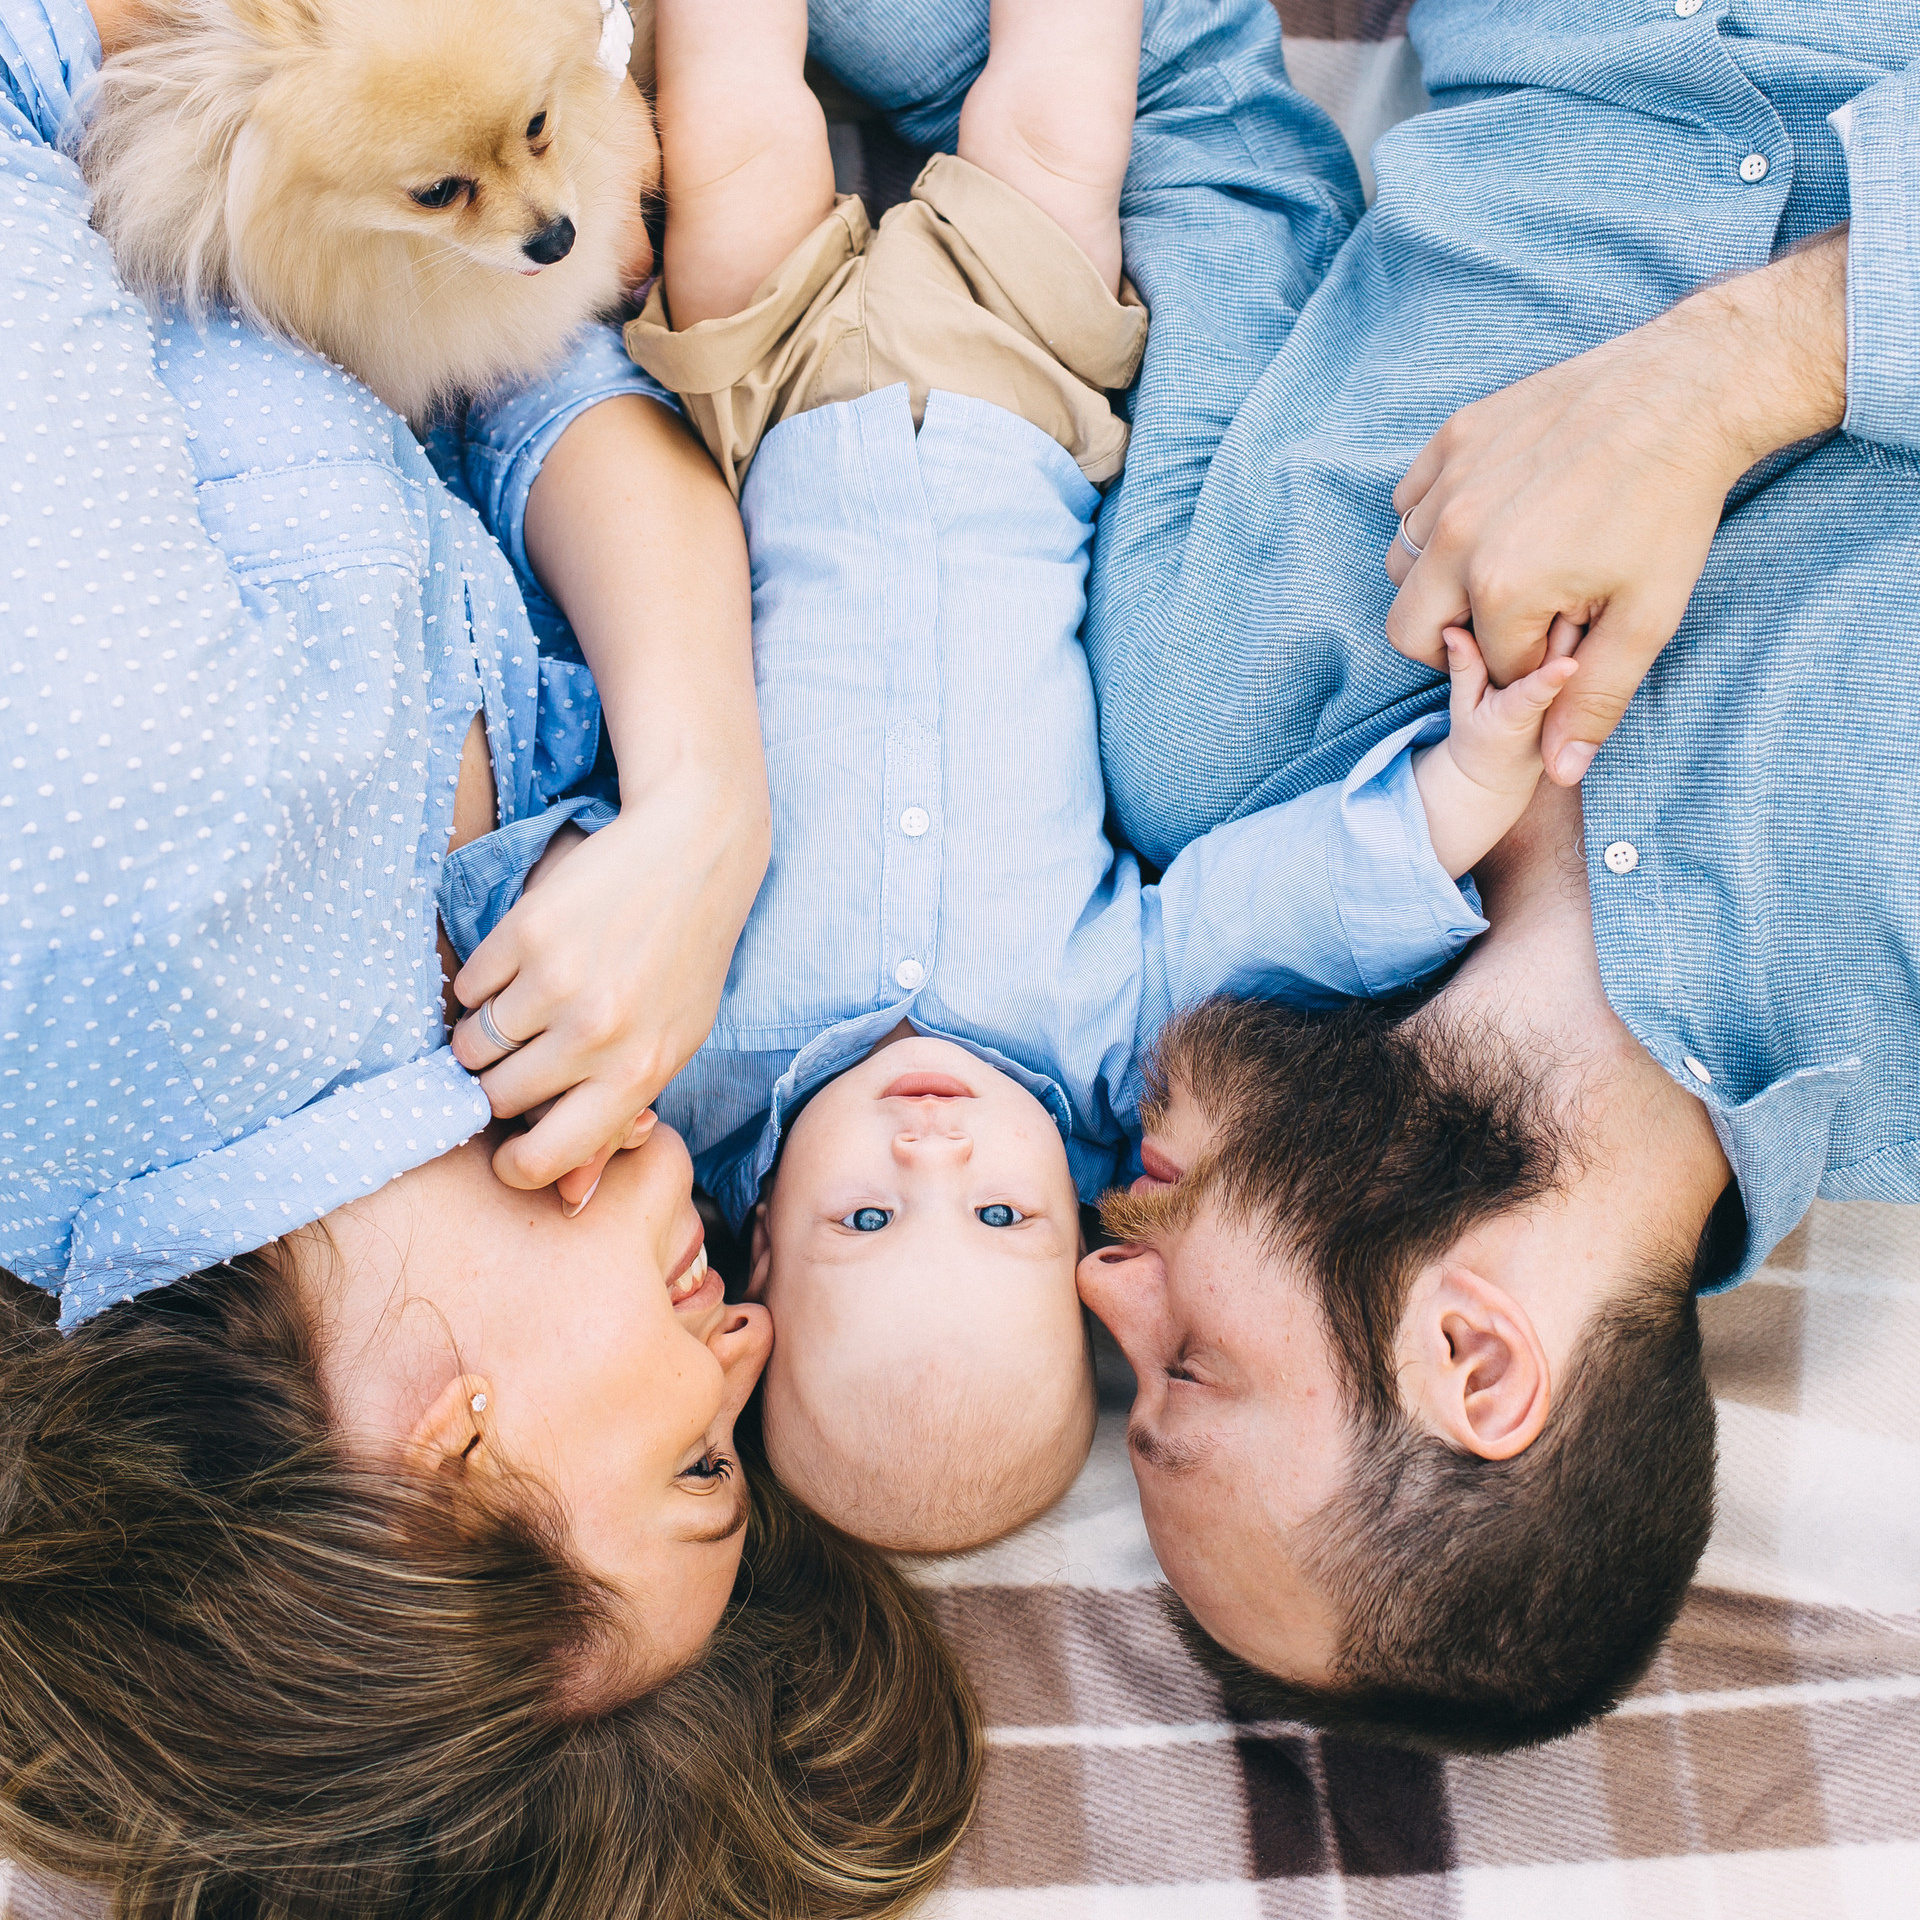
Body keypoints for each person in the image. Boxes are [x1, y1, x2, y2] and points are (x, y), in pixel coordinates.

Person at [807, 0, 1920, 1746]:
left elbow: (1146, 100)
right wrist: (1734, 377)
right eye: (1193, 1372)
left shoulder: (1208, 746)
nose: (1104, 1279)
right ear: (1476, 1362)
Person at [0, 0, 978, 1907]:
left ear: (451, 1470)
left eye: (700, 1468)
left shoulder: (114, 879)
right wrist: (703, 800)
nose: (754, 1351)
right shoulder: (492, 1028)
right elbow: (517, 387)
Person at [613, 0, 1576, 1556]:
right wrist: (1461, 793)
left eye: (866, 1220)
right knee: (1060, 121)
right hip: (1018, 393)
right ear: (1078, 1234)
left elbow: (594, 871)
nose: (934, 1157)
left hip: (754, 408)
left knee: (728, 126)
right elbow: (1286, 908)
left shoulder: (690, 1061)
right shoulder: (1108, 1040)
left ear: (762, 1268)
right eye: (1000, 1218)